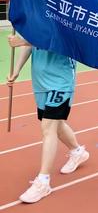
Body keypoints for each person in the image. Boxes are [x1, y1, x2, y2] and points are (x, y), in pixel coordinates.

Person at [7, 36, 89, 203]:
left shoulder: (63, 12)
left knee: (48, 127)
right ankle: (78, 152)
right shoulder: (36, 15)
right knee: (55, 125)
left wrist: (23, 40)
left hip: (61, 80)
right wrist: (17, 69)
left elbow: (55, 38)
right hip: (40, 80)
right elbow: (30, 44)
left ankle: (43, 182)